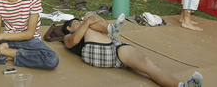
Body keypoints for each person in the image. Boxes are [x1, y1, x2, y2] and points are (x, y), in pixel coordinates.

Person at [62, 13, 204, 87]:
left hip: (115, 47)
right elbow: (74, 41)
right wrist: (87, 22)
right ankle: (110, 28)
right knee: (91, 26)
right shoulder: (68, 36)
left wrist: (95, 17)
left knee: (147, 63)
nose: (80, 23)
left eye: (80, 21)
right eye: (76, 22)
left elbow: (105, 29)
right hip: (95, 51)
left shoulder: (90, 26)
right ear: (69, 27)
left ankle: (181, 86)